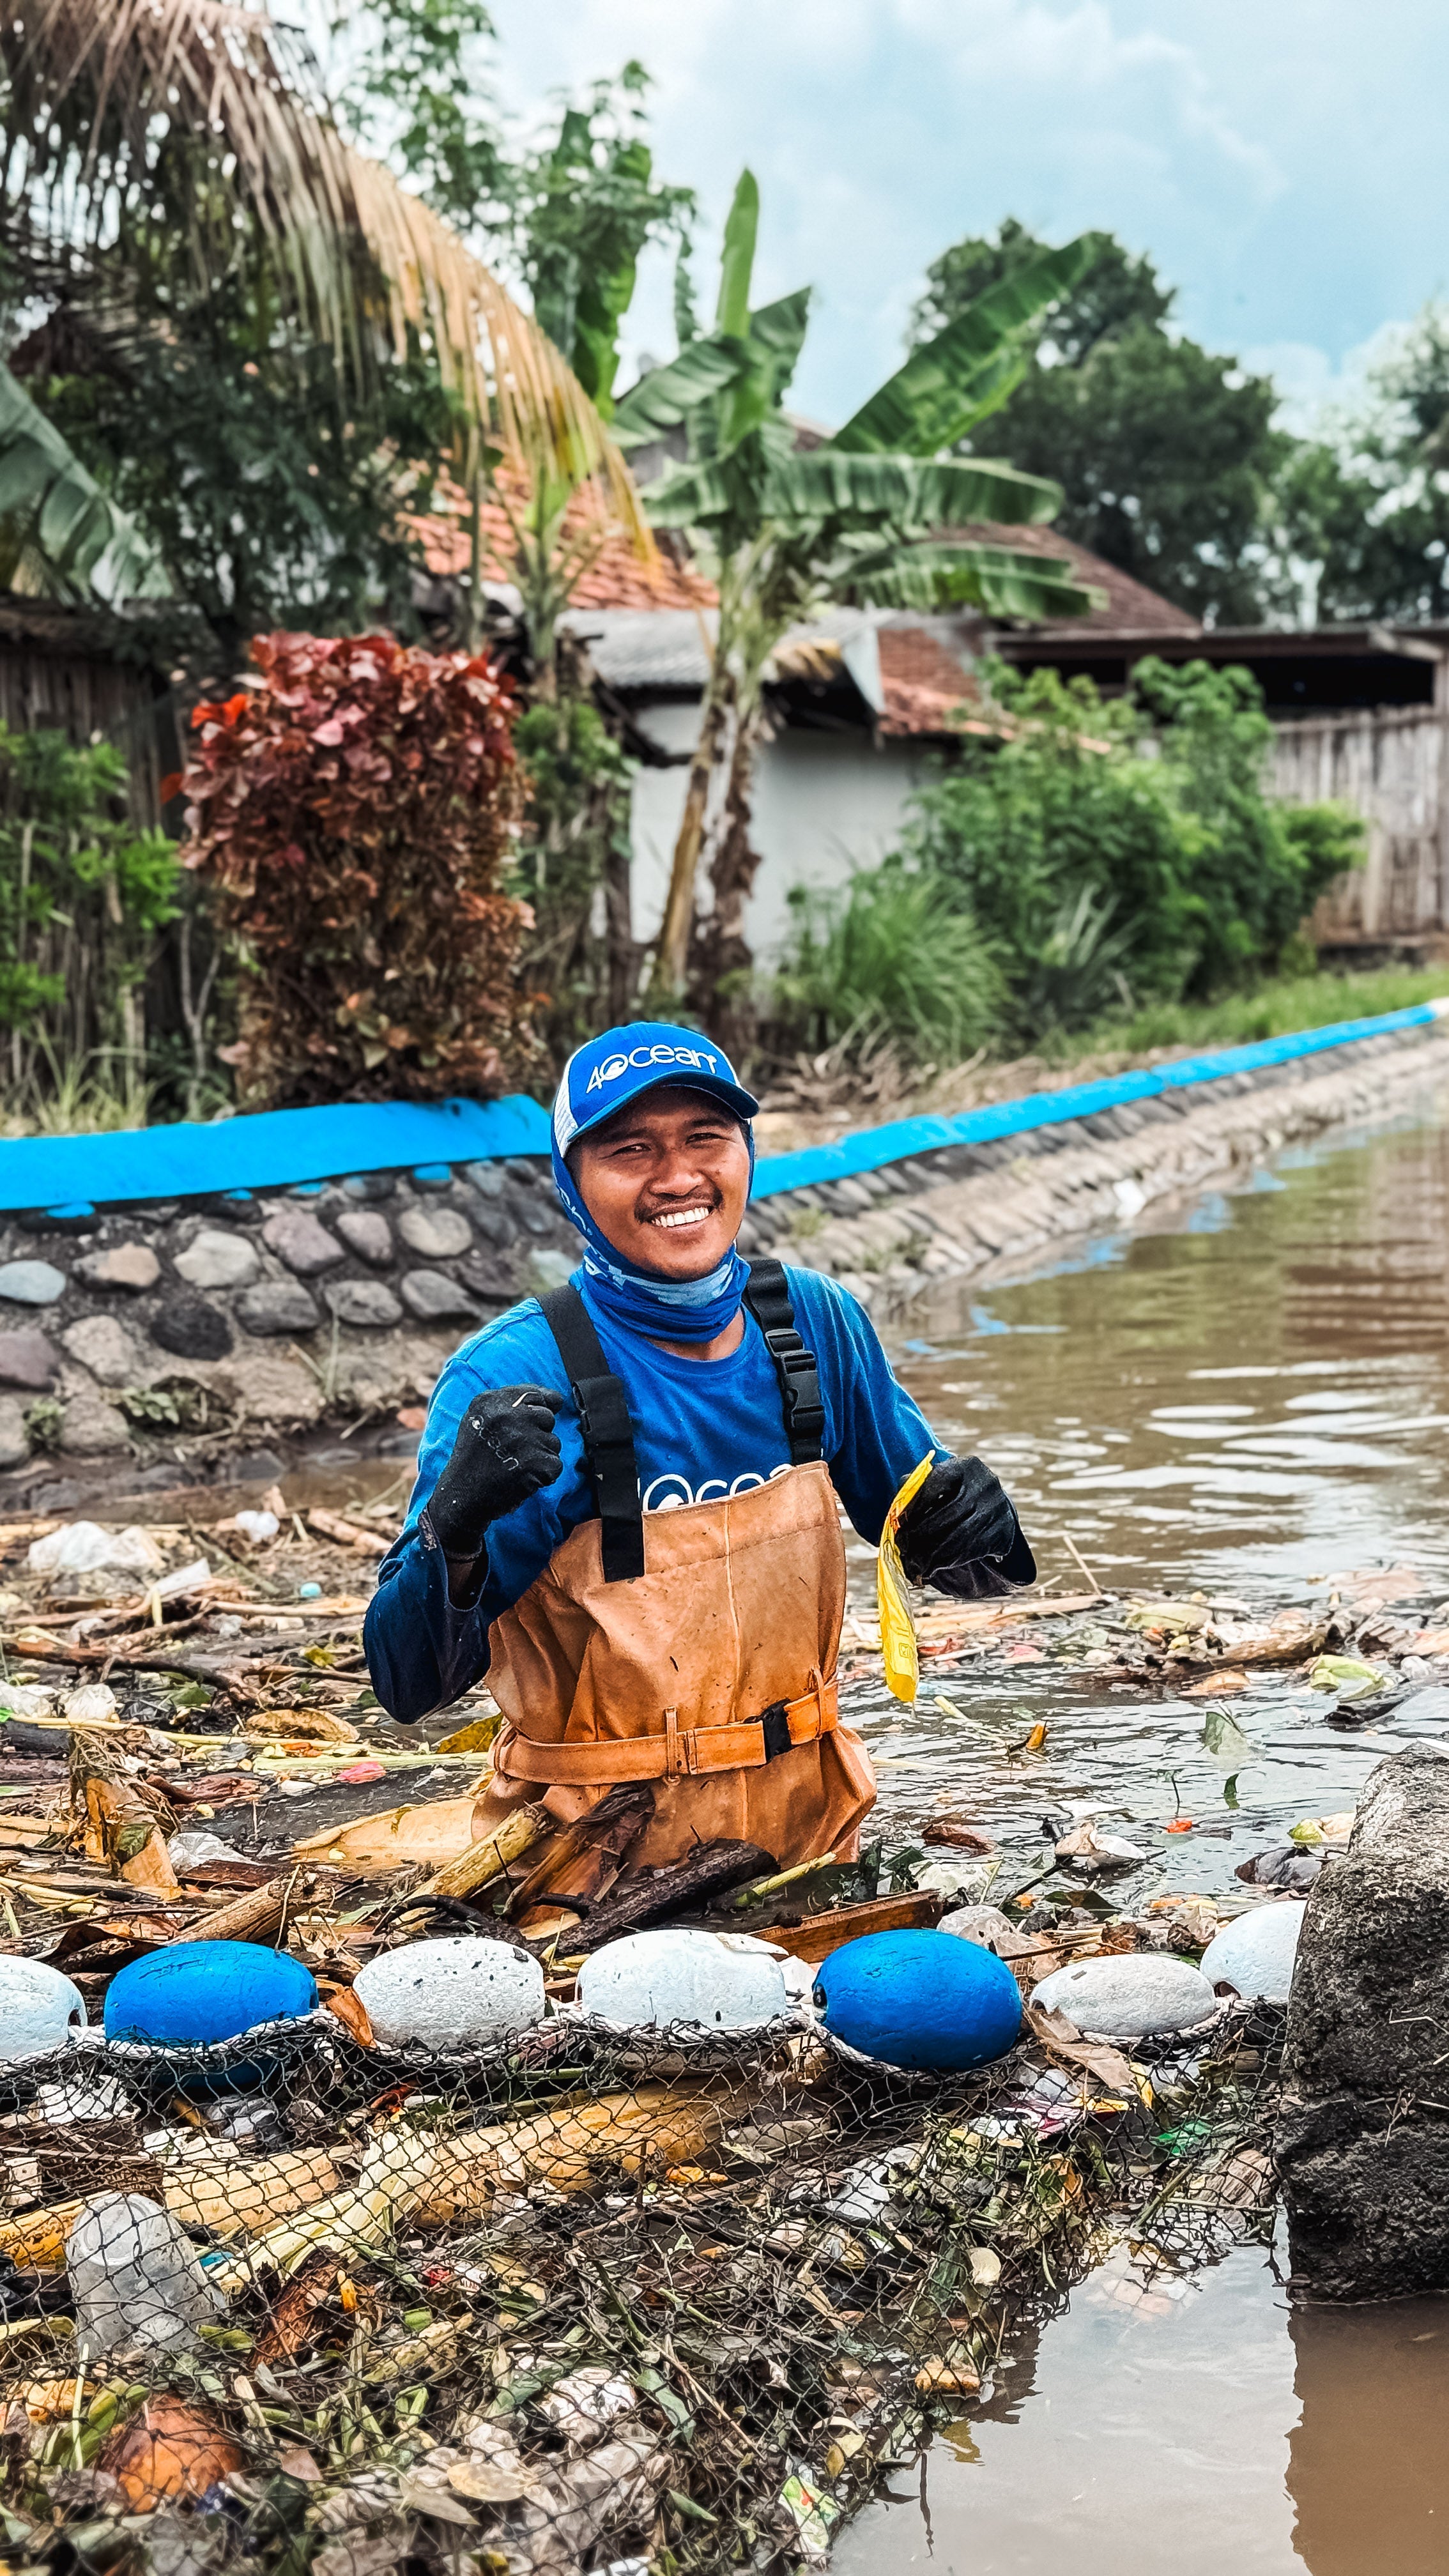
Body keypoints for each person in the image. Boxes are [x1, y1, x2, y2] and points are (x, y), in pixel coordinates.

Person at [365, 1020, 1036, 1901]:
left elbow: (968, 1571)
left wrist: (984, 1528)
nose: (678, 1177)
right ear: (571, 1183)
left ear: (747, 1152)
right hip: (588, 1867)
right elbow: (407, 1684)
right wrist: (452, 1531)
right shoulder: (513, 1372)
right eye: (630, 1149)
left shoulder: (815, 1324)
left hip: (806, 1842)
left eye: (705, 1138)